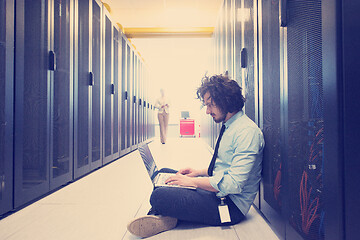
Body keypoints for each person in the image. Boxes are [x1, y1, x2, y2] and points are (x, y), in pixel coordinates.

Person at [127, 74, 265, 238]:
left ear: (225, 100)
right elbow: (224, 167)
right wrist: (198, 172)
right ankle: (168, 214)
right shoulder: (231, 125)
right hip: (217, 194)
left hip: (229, 206)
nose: (207, 111)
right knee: (163, 173)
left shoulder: (247, 133)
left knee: (159, 195)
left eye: (210, 105)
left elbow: (233, 184)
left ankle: (165, 216)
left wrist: (192, 183)